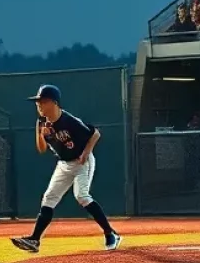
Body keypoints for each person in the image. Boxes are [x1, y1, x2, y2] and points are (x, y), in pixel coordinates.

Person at [11, 85, 121, 253]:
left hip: (81, 161)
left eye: (43, 101)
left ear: (54, 103)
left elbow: (95, 133)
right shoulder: (41, 122)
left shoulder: (68, 120)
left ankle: (110, 233)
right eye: (37, 102)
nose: (39, 105)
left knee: (81, 195)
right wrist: (40, 133)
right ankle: (34, 240)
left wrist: (86, 152)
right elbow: (41, 149)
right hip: (64, 164)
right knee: (49, 198)